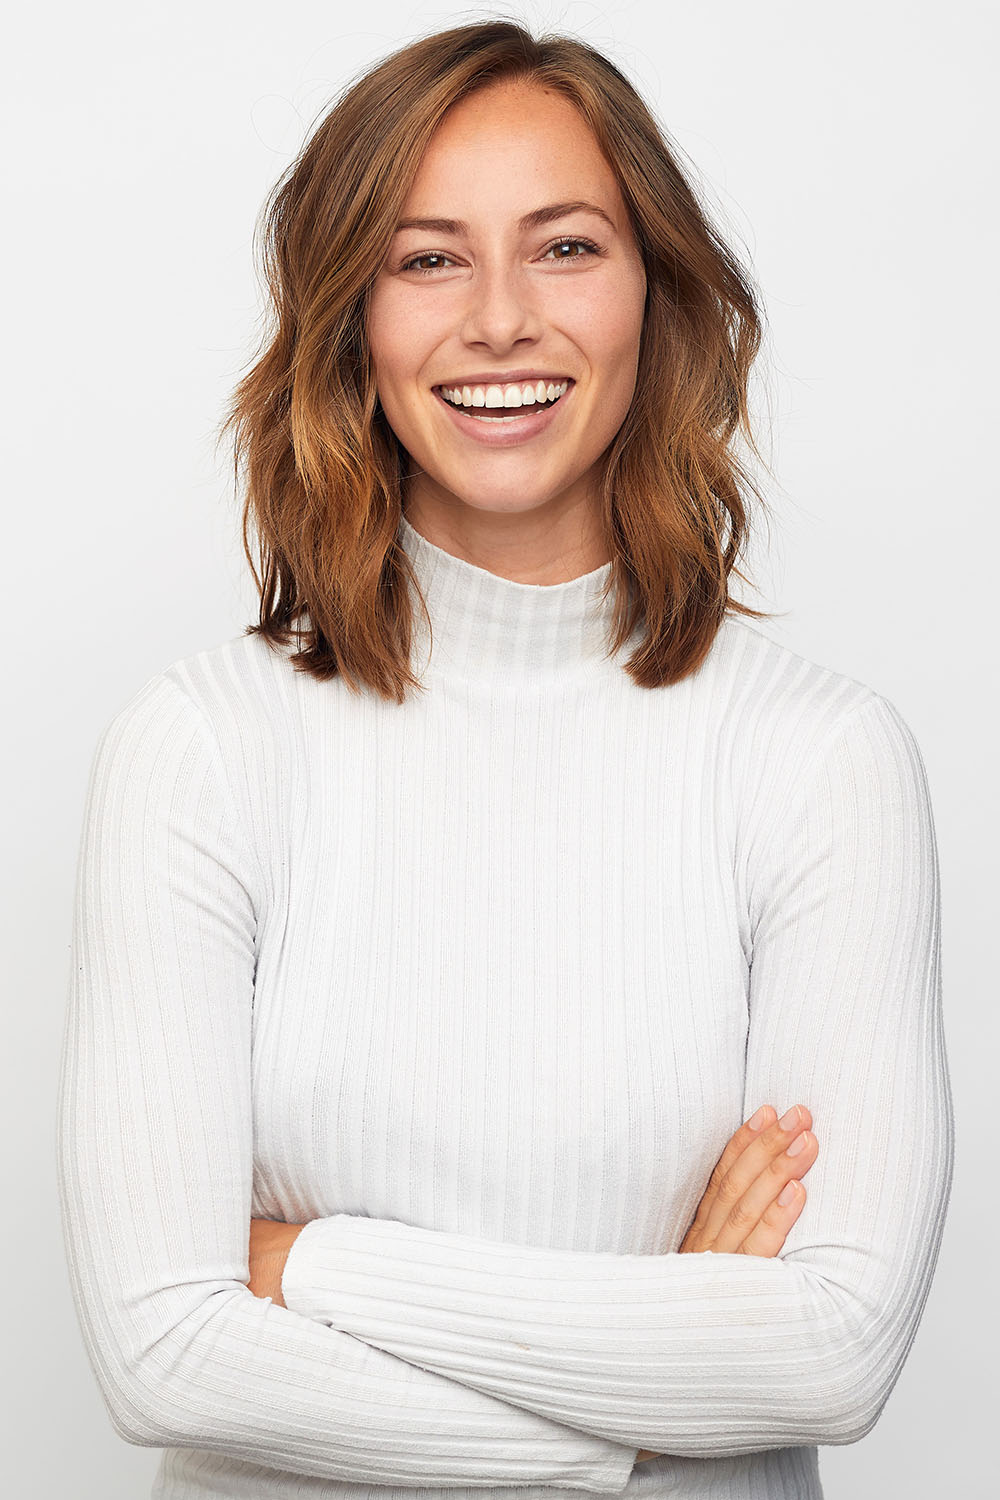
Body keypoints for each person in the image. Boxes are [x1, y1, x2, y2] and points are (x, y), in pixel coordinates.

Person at [55, 18, 954, 1500]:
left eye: (565, 248)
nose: (499, 321)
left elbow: (830, 1354)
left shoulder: (819, 760)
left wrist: (309, 1266)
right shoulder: (202, 749)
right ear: (350, 318)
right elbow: (164, 1354)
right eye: (427, 259)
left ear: (655, 291)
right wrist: (654, 1402)